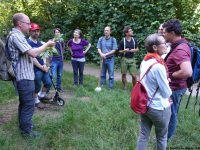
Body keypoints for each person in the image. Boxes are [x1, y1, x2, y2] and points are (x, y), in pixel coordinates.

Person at [7, 13, 55, 138]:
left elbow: (29, 56)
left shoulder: (20, 37)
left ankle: (23, 126)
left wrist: (42, 63)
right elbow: (33, 53)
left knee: (24, 103)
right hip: (24, 77)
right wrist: (46, 45)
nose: (30, 26)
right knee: (29, 105)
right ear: (20, 24)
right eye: (28, 23)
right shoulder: (15, 36)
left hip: (26, 76)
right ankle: (27, 133)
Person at [136, 33, 172, 150]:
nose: (166, 45)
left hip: (145, 105)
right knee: (161, 137)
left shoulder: (145, 61)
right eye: (164, 43)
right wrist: (167, 81)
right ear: (155, 47)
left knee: (143, 134)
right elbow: (166, 93)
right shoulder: (159, 66)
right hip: (158, 108)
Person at [162, 19, 192, 140]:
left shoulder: (180, 49)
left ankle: (166, 139)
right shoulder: (178, 44)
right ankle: (165, 136)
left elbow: (187, 71)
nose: (163, 34)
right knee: (170, 112)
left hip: (175, 88)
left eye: (164, 32)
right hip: (174, 87)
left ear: (172, 33)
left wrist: (169, 74)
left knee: (171, 113)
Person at [27, 23, 52, 109]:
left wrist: (44, 64)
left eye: (38, 30)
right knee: (37, 85)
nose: (36, 33)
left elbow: (44, 54)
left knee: (48, 82)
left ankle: (42, 95)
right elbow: (32, 57)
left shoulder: (40, 43)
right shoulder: (27, 42)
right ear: (30, 31)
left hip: (42, 67)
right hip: (34, 68)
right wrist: (41, 66)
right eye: (34, 31)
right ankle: (36, 100)